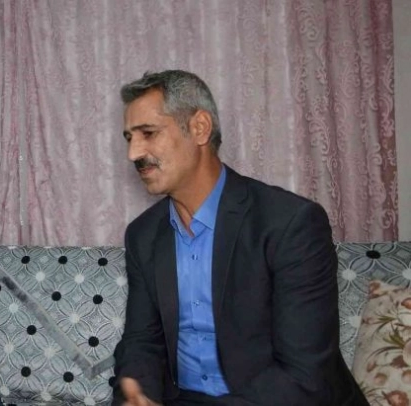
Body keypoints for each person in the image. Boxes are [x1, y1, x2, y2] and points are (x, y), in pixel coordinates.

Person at [112, 70, 368, 406]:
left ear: (200, 128)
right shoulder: (143, 235)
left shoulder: (290, 223)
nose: (133, 153)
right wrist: (137, 396)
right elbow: (141, 341)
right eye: (129, 138)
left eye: (148, 133)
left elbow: (304, 375)